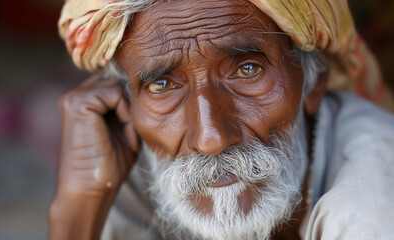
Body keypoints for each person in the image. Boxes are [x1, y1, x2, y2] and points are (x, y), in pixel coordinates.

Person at [49, 0, 394, 239]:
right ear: (127, 100)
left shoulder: (369, 212)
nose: (210, 139)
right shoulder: (130, 160)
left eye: (247, 70)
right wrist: (80, 200)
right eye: (162, 84)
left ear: (313, 81)